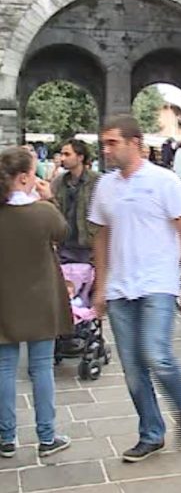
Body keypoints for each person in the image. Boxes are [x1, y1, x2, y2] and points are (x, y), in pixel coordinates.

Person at [89, 115, 181, 462]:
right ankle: (151, 433)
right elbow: (102, 236)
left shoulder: (164, 181)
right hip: (121, 288)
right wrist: (100, 286)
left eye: (112, 143)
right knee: (133, 368)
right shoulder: (105, 186)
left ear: (134, 143)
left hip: (157, 284)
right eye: (104, 143)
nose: (106, 149)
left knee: (155, 354)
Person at [0, 147, 73, 459]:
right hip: (41, 299)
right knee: (41, 368)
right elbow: (63, 232)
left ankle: (6, 437)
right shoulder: (43, 212)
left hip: (4, 300)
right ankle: (46, 437)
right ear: (26, 177)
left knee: (4, 368)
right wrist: (49, 197)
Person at [51, 139, 99, 264]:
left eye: (67, 154)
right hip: (64, 246)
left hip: (88, 248)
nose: (62, 158)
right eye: (61, 154)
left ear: (80, 157)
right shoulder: (59, 181)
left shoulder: (97, 181)